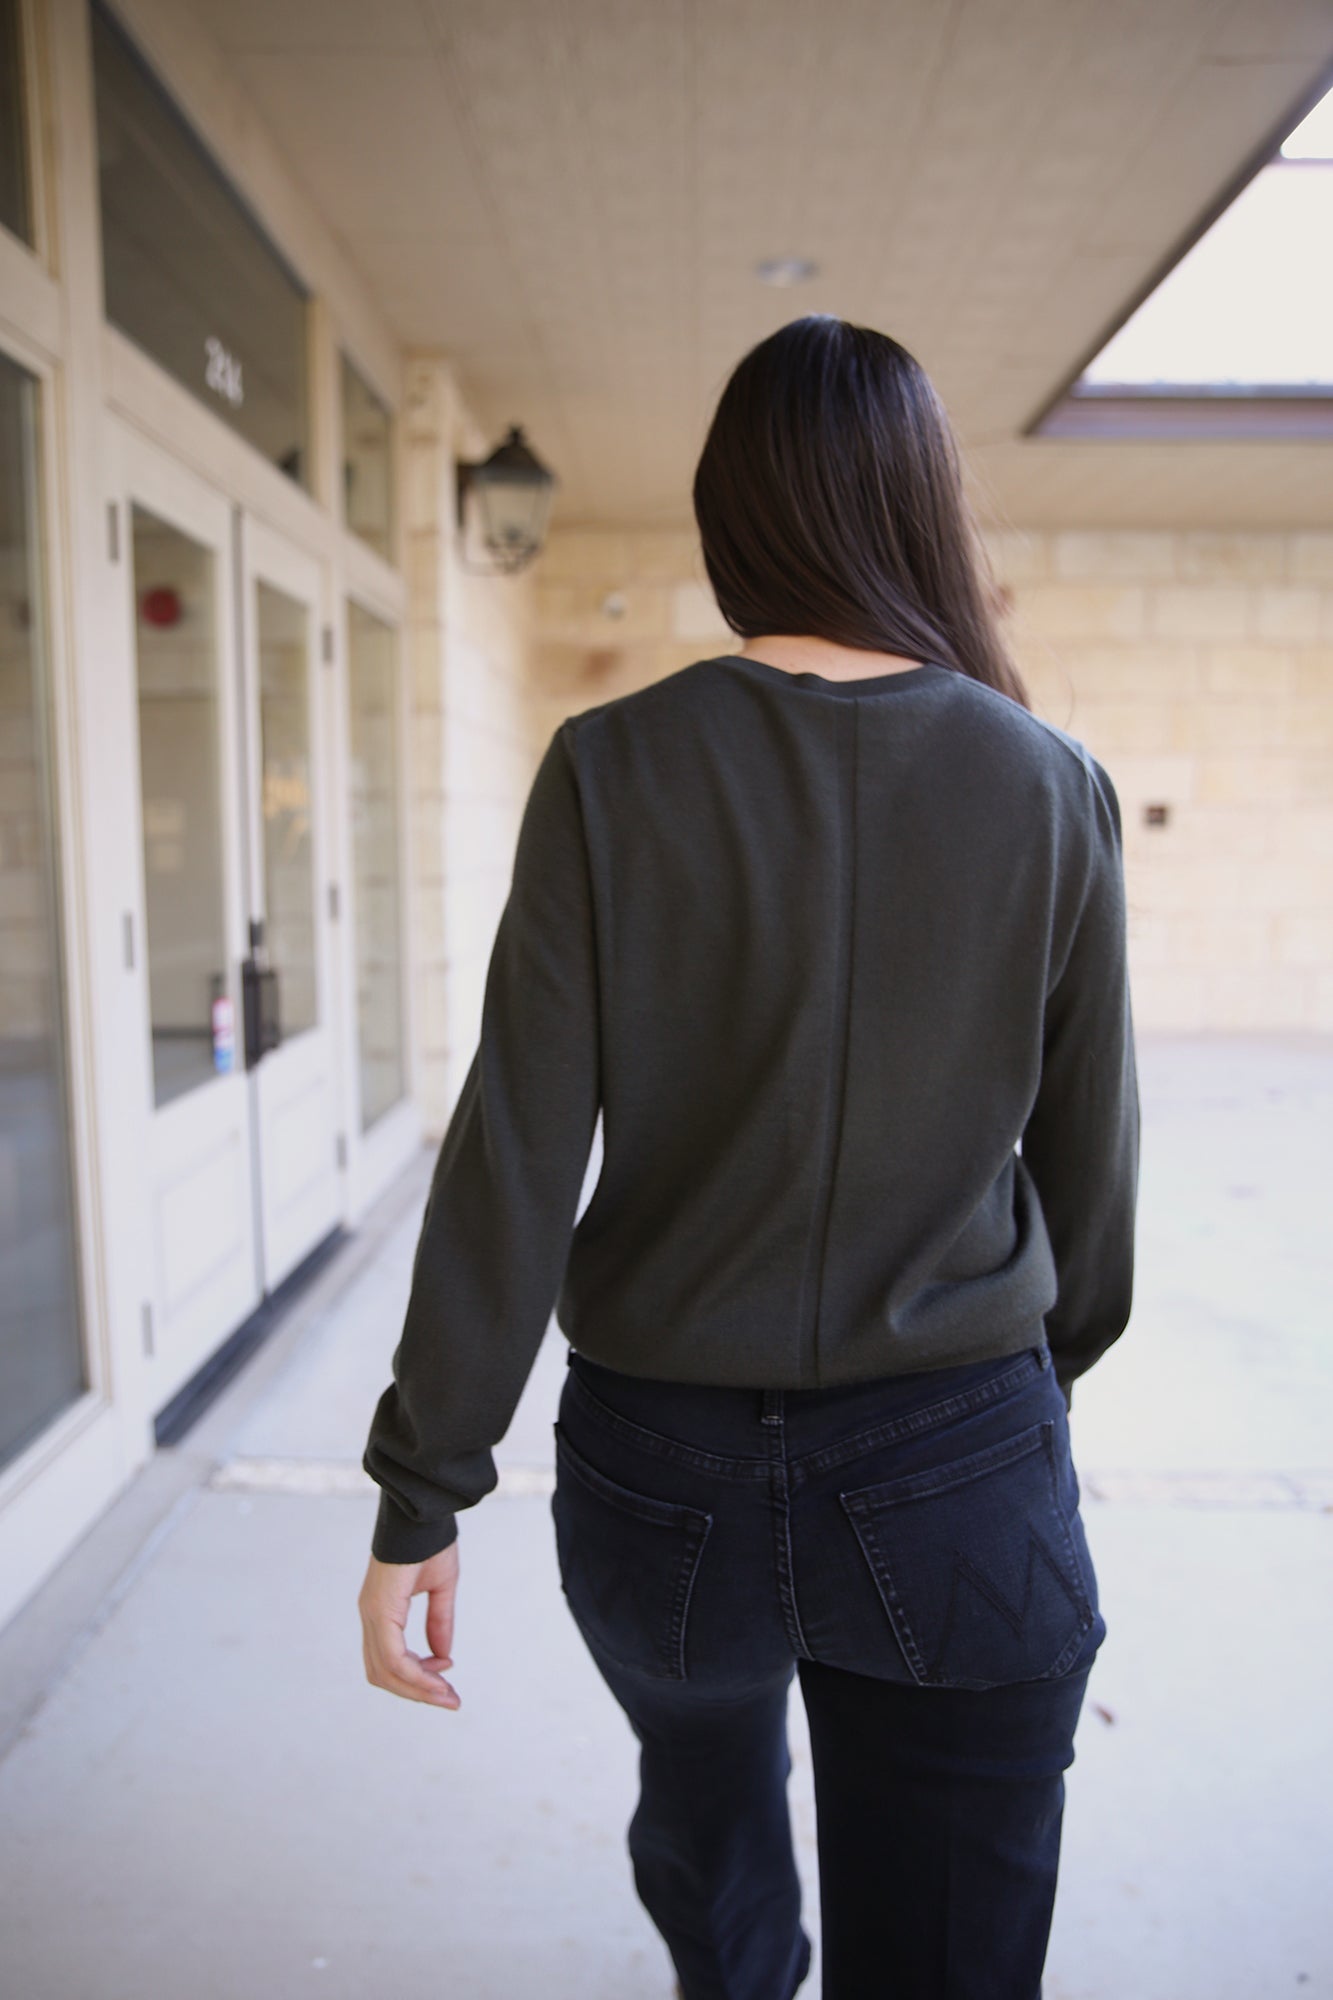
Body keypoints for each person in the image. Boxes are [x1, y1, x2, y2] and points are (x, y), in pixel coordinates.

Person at [357, 314, 1140, 2000]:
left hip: (658, 1473)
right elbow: (1096, 1184)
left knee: (707, 1838)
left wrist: (426, 1484)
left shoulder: (607, 768)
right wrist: (1009, 1397)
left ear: (730, 513)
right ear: (924, 507)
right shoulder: (1051, 785)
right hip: (957, 1456)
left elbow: (512, 1151)